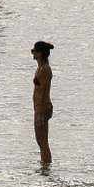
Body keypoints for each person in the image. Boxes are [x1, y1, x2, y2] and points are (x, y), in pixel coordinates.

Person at [32, 40, 53, 168]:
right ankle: (44, 164)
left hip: (43, 107)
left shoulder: (45, 69)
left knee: (43, 141)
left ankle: (47, 166)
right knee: (39, 141)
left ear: (40, 53)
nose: (32, 54)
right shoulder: (40, 67)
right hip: (38, 107)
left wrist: (40, 112)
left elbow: (43, 92)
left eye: (34, 51)